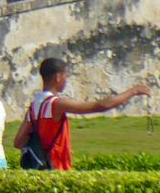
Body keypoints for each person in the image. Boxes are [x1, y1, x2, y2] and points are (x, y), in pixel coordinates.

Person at [11, 58, 151, 170]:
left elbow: (18, 142)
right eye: (66, 76)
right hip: (58, 168)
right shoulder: (56, 104)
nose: (66, 80)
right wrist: (133, 91)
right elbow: (101, 106)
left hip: (41, 170)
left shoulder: (33, 107)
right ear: (58, 77)